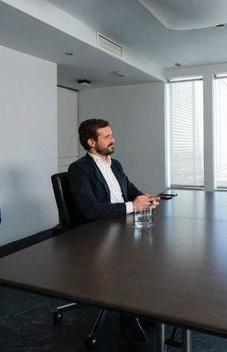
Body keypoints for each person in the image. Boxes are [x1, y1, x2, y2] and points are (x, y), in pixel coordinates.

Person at [67, 118, 159, 350]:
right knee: (126, 263)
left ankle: (142, 306)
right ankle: (128, 317)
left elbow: (130, 190)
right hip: (94, 234)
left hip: (120, 226)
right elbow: (90, 210)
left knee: (152, 253)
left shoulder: (115, 164)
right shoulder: (79, 169)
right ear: (91, 142)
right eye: (107, 136)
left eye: (112, 135)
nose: (113, 139)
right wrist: (132, 206)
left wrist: (145, 199)